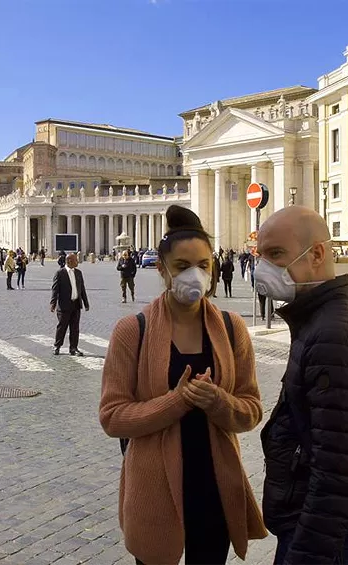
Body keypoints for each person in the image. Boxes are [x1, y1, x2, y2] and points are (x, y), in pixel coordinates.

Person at [99, 204, 266, 565]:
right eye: (182, 267)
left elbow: (251, 411)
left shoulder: (233, 327)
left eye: (204, 266)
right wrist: (176, 402)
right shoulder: (132, 331)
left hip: (215, 484)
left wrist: (217, 400)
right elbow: (112, 418)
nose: (195, 275)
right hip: (153, 486)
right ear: (162, 269)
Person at [254, 206, 348, 565]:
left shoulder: (335, 336)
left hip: (326, 538)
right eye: (260, 256)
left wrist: (306, 556)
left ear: (316, 254)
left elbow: (339, 471)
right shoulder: (324, 319)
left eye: (275, 255)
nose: (262, 268)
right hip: (321, 527)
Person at [50, 253, 89, 356]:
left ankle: (73, 348)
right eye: (76, 260)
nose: (78, 262)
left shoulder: (78, 273)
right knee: (62, 327)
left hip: (76, 304)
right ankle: (57, 346)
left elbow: (82, 289)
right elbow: (55, 289)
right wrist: (53, 303)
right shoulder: (60, 273)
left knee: (75, 328)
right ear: (69, 261)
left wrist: (86, 303)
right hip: (64, 305)